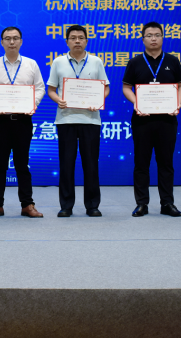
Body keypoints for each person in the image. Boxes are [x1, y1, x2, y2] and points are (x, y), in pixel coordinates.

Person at [0, 26, 47, 219]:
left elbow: (40, 88)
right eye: (7, 38)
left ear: (21, 42)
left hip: (23, 121)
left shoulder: (31, 64)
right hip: (0, 121)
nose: (11, 42)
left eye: (15, 38)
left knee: (22, 164)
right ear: (2, 42)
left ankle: (27, 204)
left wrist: (32, 104)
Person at [121, 22, 181, 218]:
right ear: (143, 39)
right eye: (149, 35)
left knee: (166, 163)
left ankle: (167, 203)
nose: (153, 38)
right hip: (142, 120)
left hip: (167, 120)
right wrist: (137, 103)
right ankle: (142, 203)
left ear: (162, 38)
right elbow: (126, 88)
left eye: (157, 35)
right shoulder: (135, 62)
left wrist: (178, 103)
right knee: (141, 163)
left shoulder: (172, 61)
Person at [47, 25, 110, 218]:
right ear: (67, 41)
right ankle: (66, 205)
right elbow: (51, 89)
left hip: (90, 120)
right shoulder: (58, 62)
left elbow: (106, 88)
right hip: (66, 119)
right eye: (73, 38)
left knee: (91, 164)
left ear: (86, 41)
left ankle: (92, 205)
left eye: (81, 38)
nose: (77, 41)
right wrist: (59, 100)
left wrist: (98, 100)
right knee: (66, 164)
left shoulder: (96, 62)